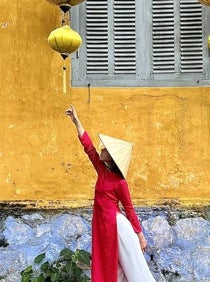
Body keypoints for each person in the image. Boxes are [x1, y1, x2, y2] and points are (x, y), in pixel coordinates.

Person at [65, 104, 156, 282]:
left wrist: (140, 235)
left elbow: (129, 208)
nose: (101, 150)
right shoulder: (101, 170)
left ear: (112, 158)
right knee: (114, 267)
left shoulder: (120, 182)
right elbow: (89, 147)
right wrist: (76, 121)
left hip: (116, 226)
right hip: (102, 224)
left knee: (134, 268)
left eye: (105, 149)